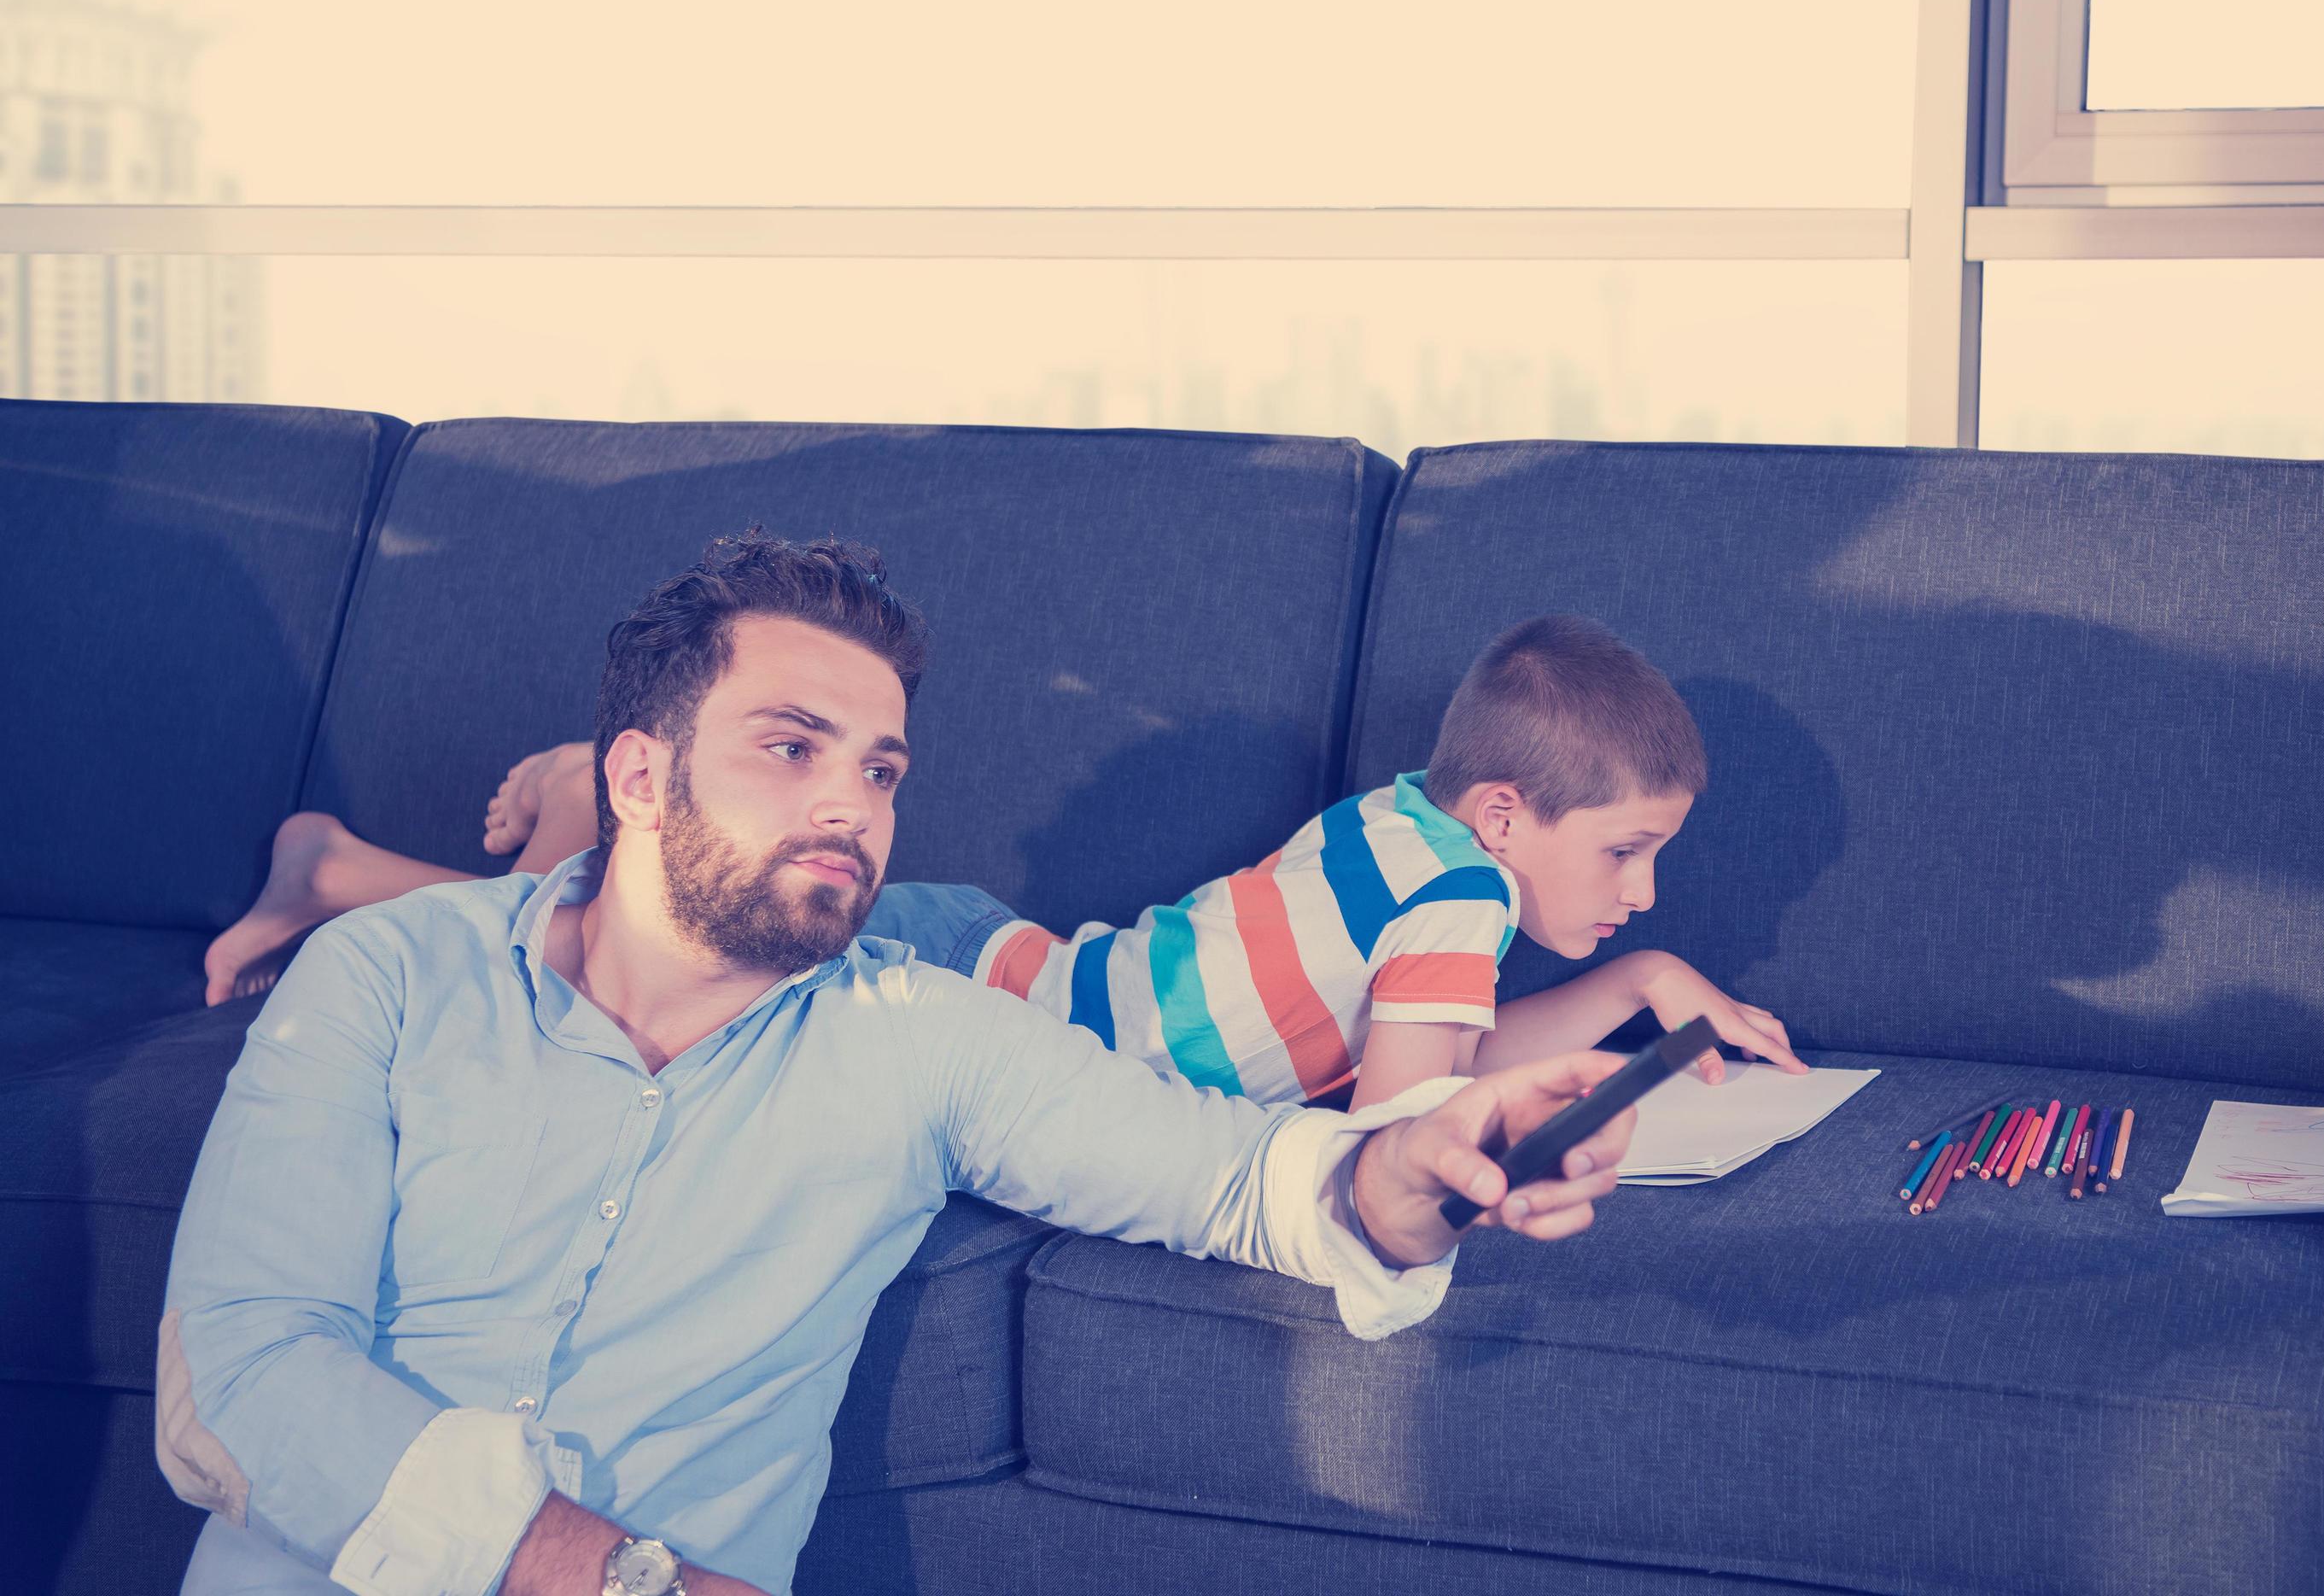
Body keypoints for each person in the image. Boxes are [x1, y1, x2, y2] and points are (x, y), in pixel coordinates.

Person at [160, 531, 1645, 1596]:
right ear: (638, 773)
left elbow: (1255, 1182)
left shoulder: (920, 1036)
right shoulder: (388, 976)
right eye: (791, 749)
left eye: (879, 770)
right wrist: (621, 1583)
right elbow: (236, 1379)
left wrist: (1420, 1167)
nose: (852, 808)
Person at [205, 615, 1804, 1110]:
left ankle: (396, 851)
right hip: (970, 988)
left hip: (1008, 954)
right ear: (1514, 818)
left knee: (631, 941)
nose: (1644, 891)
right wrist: (1587, 1082)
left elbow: (1422, 1039)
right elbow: (1406, 1113)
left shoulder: (1417, 823)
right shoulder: (1458, 896)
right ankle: (497, 830)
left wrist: (1639, 990)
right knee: (599, 959)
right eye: (1632, 857)